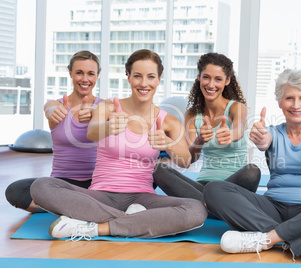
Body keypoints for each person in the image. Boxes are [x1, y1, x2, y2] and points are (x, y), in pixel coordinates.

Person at [30, 49, 207, 240]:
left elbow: (186, 160)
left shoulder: (169, 121)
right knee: (41, 186)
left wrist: (169, 143)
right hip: (100, 196)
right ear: (128, 77)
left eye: (150, 77)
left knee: (196, 210)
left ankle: (97, 228)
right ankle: (135, 220)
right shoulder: (108, 107)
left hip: (142, 197)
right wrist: (108, 127)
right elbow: (92, 132)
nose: (144, 83)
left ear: (159, 79)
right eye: (137, 76)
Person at [203, 69, 301, 261]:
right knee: (213, 189)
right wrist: (260, 139)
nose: (296, 105)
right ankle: (298, 239)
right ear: (280, 102)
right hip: (274, 209)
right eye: (289, 98)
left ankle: (268, 239)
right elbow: (264, 140)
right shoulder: (272, 132)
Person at [153, 52, 260, 203]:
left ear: (227, 80)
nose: (211, 84)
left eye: (218, 79)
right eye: (206, 77)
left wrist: (231, 134)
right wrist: (200, 139)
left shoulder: (237, 107)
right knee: (158, 169)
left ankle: (206, 205)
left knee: (252, 171)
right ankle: (215, 206)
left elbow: (239, 128)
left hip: (233, 186)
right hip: (203, 186)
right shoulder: (192, 115)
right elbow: (190, 158)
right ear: (199, 77)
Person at [5, 50, 102, 213]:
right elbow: (49, 109)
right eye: (79, 72)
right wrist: (52, 112)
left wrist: (97, 114)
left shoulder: (104, 106)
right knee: (15, 191)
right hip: (60, 185)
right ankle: (85, 208)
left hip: (97, 184)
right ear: (70, 73)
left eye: (90, 73)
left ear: (97, 76)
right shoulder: (56, 105)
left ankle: (69, 207)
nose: (85, 79)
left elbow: (114, 114)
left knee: (147, 179)